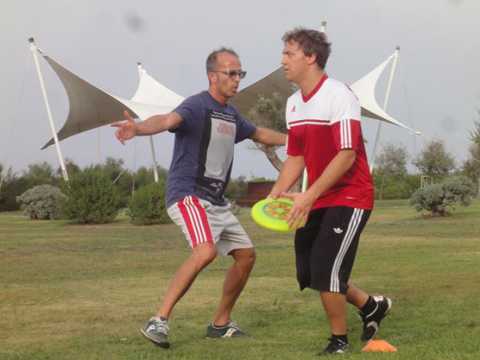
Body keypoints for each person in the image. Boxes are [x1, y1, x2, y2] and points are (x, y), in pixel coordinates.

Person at [112, 47, 286, 349]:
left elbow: (259, 133)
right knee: (205, 252)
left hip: (216, 201)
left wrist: (297, 140)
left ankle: (220, 323)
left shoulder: (231, 114)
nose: (236, 79)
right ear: (212, 76)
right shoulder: (196, 106)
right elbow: (166, 120)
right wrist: (138, 128)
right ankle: (159, 321)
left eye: (239, 73)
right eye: (230, 73)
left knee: (246, 256)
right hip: (187, 194)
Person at [269, 28, 392, 355]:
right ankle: (370, 306)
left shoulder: (340, 95)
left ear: (311, 57)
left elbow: (347, 154)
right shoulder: (294, 104)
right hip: (317, 197)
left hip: (351, 196)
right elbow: (296, 155)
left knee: (326, 269)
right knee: (308, 272)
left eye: (289, 54)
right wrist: (277, 192)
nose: (282, 61)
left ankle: (339, 341)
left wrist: (307, 195)